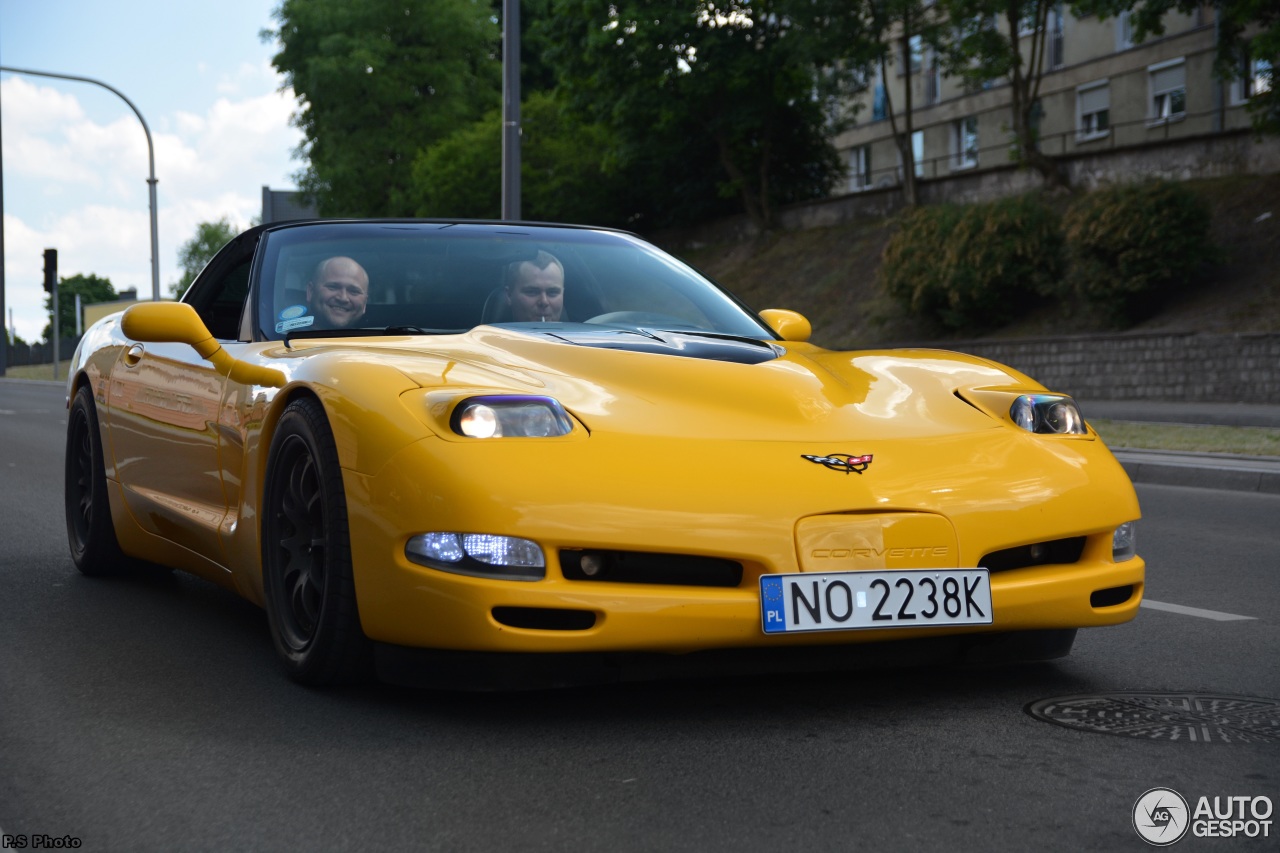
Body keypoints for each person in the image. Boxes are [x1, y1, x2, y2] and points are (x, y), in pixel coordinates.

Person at [306, 256, 369, 328]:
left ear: (364, 303)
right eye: (333, 287)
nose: (343, 298)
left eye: (353, 291)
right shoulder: (292, 335)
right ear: (310, 291)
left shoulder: (378, 338)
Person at [505, 250, 565, 322]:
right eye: (532, 292)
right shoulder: (490, 332)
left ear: (563, 294)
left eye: (552, 292)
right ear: (509, 295)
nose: (544, 302)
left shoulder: (578, 332)